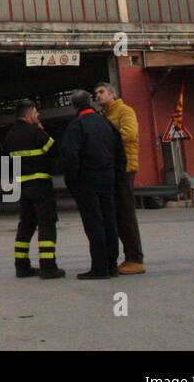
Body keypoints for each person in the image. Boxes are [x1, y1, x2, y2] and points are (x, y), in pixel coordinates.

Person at [59, 89, 126, 279]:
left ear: (74, 106)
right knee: (109, 222)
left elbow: (70, 157)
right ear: (91, 103)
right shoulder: (107, 124)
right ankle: (112, 265)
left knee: (94, 224)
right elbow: (120, 153)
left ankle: (99, 267)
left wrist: (72, 183)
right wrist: (118, 177)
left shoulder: (75, 127)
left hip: (87, 181)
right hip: (108, 178)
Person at [7, 99, 65, 279]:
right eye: (36, 112)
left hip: (22, 188)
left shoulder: (10, 136)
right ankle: (48, 266)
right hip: (41, 186)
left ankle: (21, 266)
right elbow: (55, 151)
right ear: (29, 113)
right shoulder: (36, 133)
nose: (38, 115)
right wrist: (41, 129)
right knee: (46, 224)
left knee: (25, 226)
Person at [95, 82, 145, 274]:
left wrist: (103, 142)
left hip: (125, 168)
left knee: (126, 214)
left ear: (112, 94)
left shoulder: (125, 111)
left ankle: (135, 259)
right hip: (112, 169)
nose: (98, 96)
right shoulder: (105, 115)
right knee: (116, 215)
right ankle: (128, 257)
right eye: (96, 93)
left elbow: (130, 134)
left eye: (101, 92)